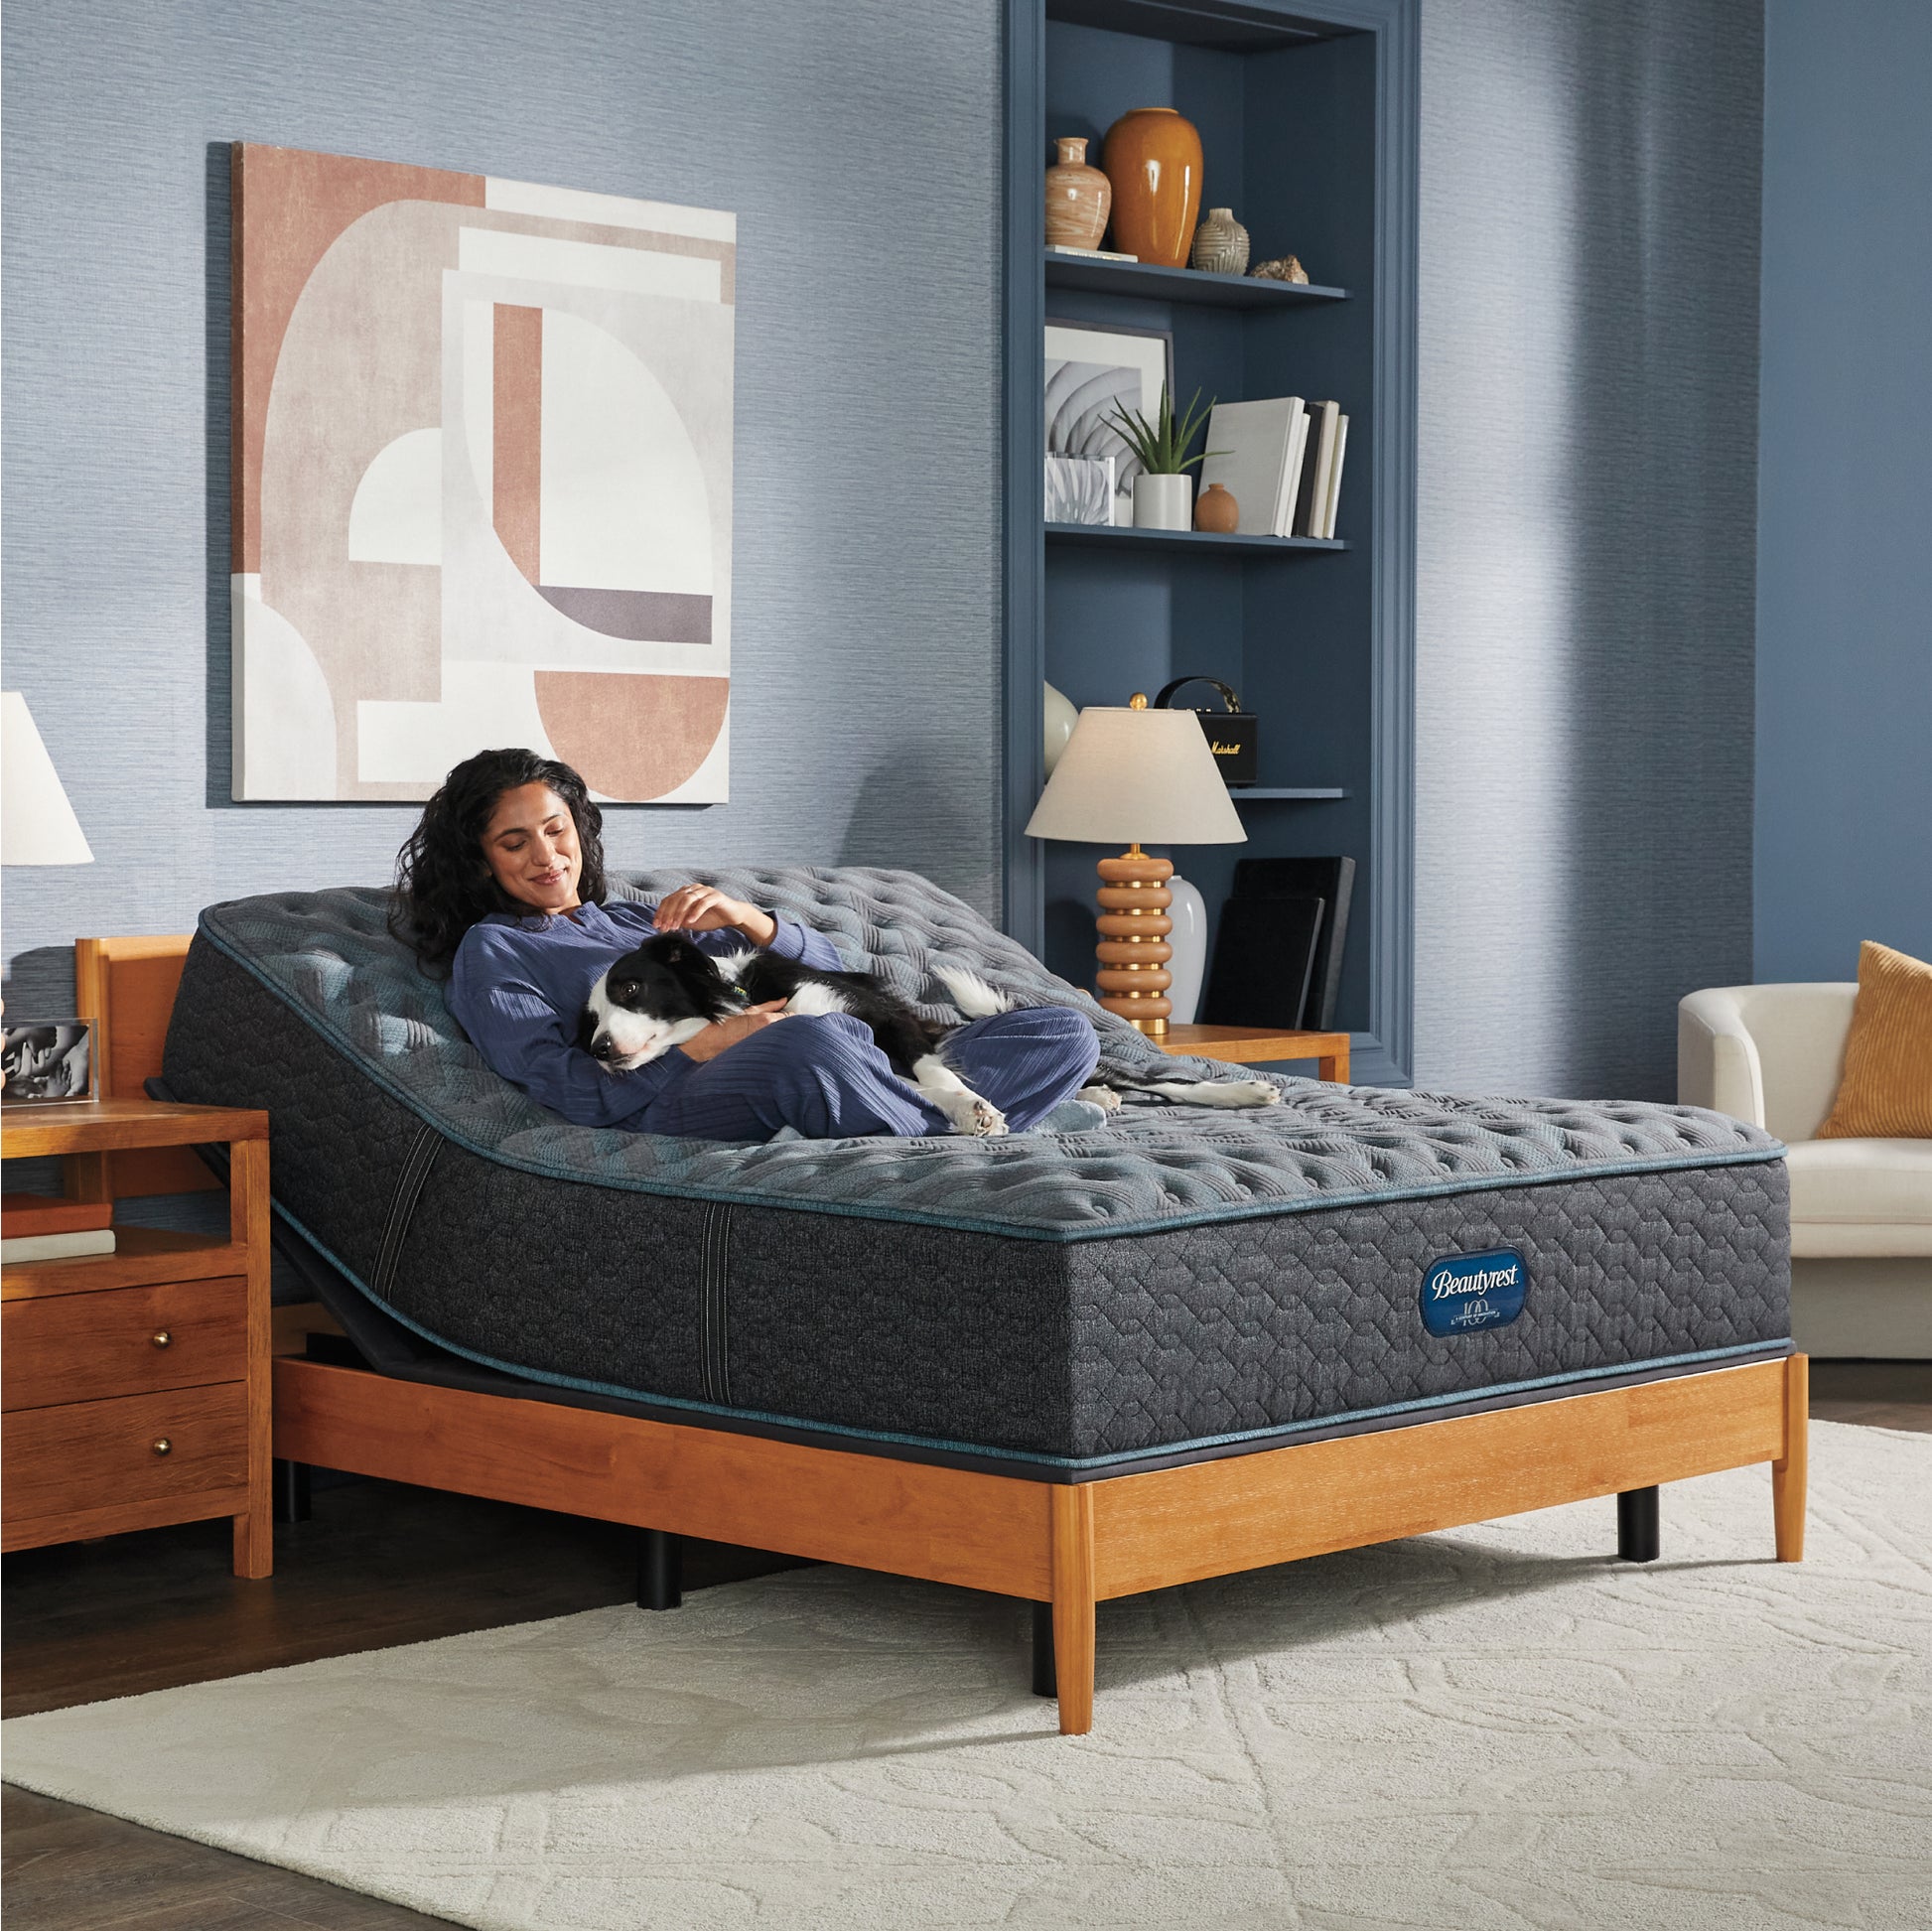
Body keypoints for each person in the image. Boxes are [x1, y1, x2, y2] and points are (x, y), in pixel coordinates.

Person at [390, 748, 1099, 1141]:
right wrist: (699, 1049)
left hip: (824, 1052)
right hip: (669, 1100)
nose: (546, 855)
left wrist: (749, 918)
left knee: (1063, 1032)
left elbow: (842, 980)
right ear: (481, 860)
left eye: (556, 829)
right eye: (515, 842)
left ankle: (931, 1122)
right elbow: (559, 1083)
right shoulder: (494, 950)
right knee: (813, 1044)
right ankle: (956, 1119)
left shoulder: (640, 923)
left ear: (579, 829)